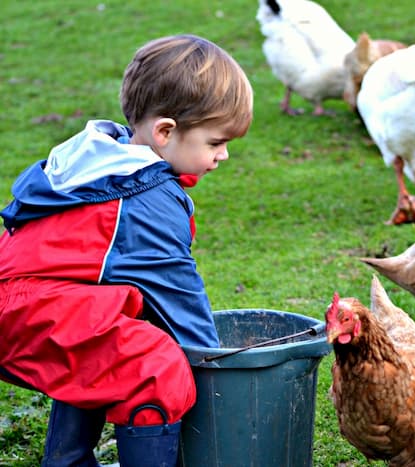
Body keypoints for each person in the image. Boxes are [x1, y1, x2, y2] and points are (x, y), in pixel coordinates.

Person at [0, 34, 253, 467]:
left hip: (29, 305)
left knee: (115, 333)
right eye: (215, 142)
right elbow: (180, 296)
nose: (224, 155)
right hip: (28, 312)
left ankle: (67, 462)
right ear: (166, 131)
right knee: (156, 366)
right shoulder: (143, 202)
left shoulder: (109, 158)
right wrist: (218, 374)